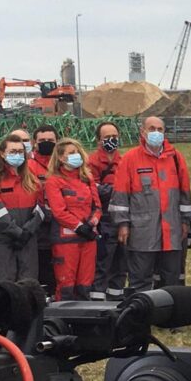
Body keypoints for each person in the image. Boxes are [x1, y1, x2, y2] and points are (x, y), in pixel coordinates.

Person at [111, 117, 191, 294]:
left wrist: (186, 221)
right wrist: (123, 224)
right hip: (142, 232)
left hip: (171, 230)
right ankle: (140, 316)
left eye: (160, 129)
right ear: (143, 132)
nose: (156, 133)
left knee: (171, 278)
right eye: (151, 128)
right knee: (140, 277)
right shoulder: (130, 159)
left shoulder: (176, 158)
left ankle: (170, 316)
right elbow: (120, 195)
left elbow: (185, 193)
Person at [45, 138, 101, 301]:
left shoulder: (86, 178)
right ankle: (62, 322)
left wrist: (91, 223)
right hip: (66, 240)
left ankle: (84, 323)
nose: (76, 155)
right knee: (66, 285)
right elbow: (59, 211)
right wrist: (78, 226)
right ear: (61, 158)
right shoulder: (54, 181)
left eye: (77, 152)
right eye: (71, 153)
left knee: (85, 284)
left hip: (88, 238)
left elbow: (97, 206)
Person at [87, 121, 127, 301]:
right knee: (102, 263)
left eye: (114, 137)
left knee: (122, 263)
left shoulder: (125, 161)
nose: (111, 140)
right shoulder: (92, 162)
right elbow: (92, 189)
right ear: (98, 141)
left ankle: (116, 300)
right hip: (103, 219)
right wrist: (118, 190)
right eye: (107, 137)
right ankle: (97, 301)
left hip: (123, 218)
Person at [0, 135, 45, 281]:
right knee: (6, 282)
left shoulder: (32, 180)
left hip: (28, 239)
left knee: (28, 282)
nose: (17, 155)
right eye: (13, 151)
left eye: (20, 151)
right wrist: (16, 232)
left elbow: (42, 208)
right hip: (3, 240)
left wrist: (28, 231)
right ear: (2, 153)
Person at [27, 126, 59, 294]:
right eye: (42, 141)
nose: (47, 144)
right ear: (34, 143)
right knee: (42, 266)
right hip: (39, 227)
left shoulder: (63, 165)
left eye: (51, 141)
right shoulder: (28, 167)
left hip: (61, 225)